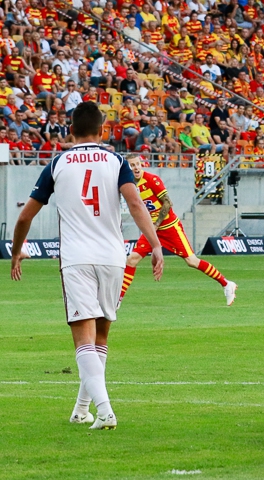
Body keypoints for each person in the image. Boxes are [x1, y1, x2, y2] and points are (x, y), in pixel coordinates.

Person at [10, 102, 164, 430]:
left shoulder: (58, 163)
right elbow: (135, 203)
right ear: (102, 131)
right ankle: (82, 409)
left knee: (83, 339)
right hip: (113, 257)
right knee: (101, 337)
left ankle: (105, 411)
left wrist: (16, 251)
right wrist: (155, 244)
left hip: (77, 258)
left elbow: (25, 217)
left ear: (70, 131)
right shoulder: (116, 161)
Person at [119, 154, 237, 306]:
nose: (136, 168)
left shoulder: (151, 180)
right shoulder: (128, 185)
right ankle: (118, 300)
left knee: (192, 261)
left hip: (169, 228)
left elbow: (168, 203)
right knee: (132, 259)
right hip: (152, 229)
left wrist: (156, 224)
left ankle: (226, 284)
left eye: (137, 164)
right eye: (132, 165)